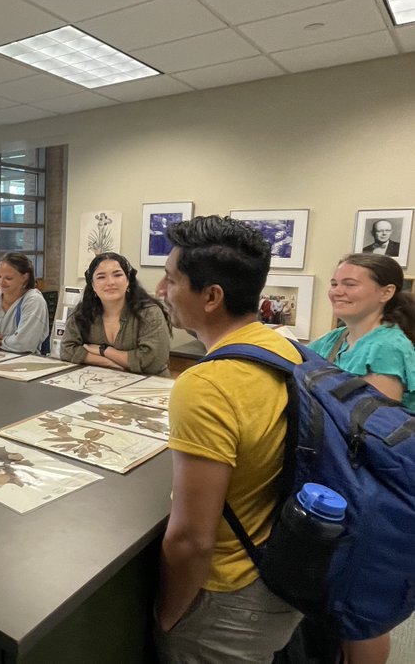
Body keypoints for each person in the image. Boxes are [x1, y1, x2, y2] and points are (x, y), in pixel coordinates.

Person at [153, 216, 303, 663]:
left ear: (212, 296)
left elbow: (191, 540)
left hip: (229, 596)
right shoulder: (282, 346)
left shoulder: (207, 384)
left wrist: (169, 614)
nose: (161, 290)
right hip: (282, 567)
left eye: (171, 279)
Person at [307, 253, 415, 664]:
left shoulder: (388, 347)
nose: (337, 290)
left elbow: (372, 432)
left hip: (379, 493)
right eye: (335, 282)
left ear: (386, 293)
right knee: (337, 599)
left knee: (362, 610)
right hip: (342, 483)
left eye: (350, 283)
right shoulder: (334, 339)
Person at [59, 252, 171, 375]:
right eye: (101, 277)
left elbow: (153, 362)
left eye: (117, 275)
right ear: (93, 286)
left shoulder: (150, 313)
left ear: (128, 281)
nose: (110, 282)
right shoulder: (82, 313)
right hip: (103, 382)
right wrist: (110, 363)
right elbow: (67, 350)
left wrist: (104, 351)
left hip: (151, 386)